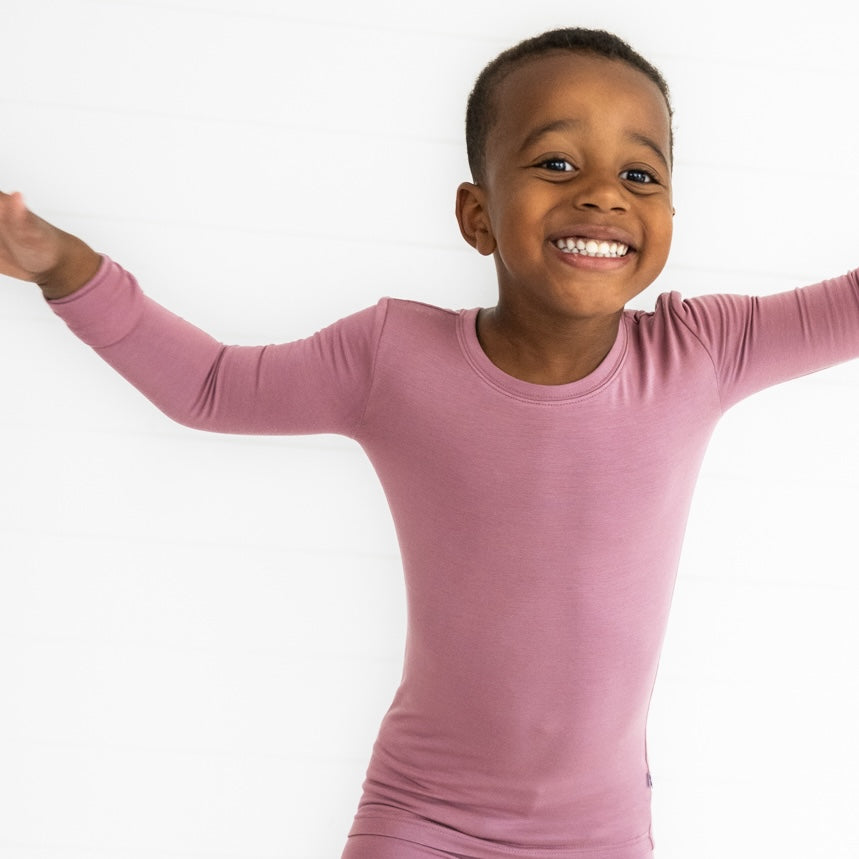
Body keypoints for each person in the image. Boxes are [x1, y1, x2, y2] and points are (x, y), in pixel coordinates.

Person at [2, 26, 858, 859]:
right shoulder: (392, 357)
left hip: (598, 835)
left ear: (670, 212)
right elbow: (212, 386)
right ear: (476, 214)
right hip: (424, 819)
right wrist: (63, 265)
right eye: (556, 162)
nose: (603, 194)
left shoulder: (698, 354)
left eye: (639, 172)